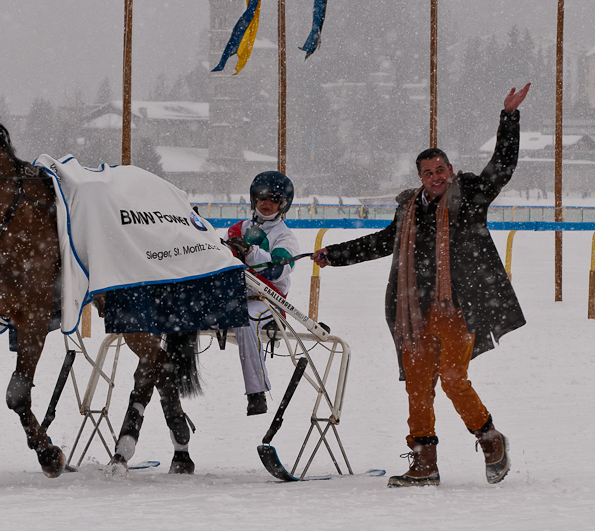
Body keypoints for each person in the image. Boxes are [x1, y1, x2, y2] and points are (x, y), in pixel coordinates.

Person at [312, 84, 531, 487]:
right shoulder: (408, 210)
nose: (435, 178)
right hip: (413, 310)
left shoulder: (470, 199)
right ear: (420, 177)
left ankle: (489, 437)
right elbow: (381, 242)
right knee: (417, 387)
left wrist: (509, 118)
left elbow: (503, 165)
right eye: (427, 173)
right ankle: (424, 463)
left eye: (440, 170)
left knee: (452, 379)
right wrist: (334, 254)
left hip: (456, 309)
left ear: (450, 170)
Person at [225, 171, 300, 415]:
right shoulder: (237, 229)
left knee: (244, 319)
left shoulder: (286, 237)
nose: (266, 204)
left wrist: (250, 252)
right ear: (253, 199)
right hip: (232, 297)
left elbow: (279, 271)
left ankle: (256, 392)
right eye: (261, 198)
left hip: (266, 301)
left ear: (283, 204)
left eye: (274, 199)